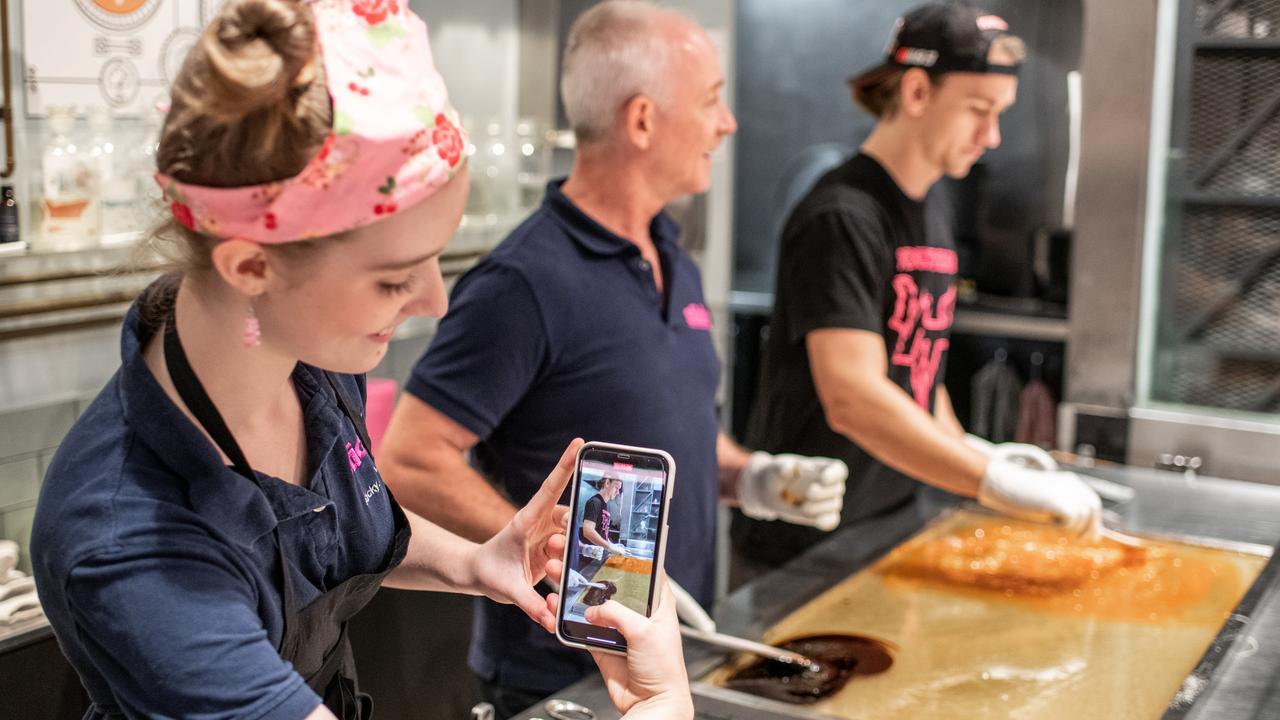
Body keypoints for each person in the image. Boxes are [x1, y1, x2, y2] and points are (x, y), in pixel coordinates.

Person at [29, 2, 693, 718]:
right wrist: (662, 702)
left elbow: (333, 526)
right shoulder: (130, 546)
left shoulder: (308, 354)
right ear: (252, 267)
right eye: (394, 279)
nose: (436, 302)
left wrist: (474, 562)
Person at [376, 1, 848, 715]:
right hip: (556, 673)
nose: (728, 124)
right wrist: (562, 562)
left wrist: (751, 476)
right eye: (713, 102)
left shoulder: (672, 258)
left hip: (667, 659)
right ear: (642, 121)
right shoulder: (523, 281)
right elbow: (410, 458)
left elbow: (663, 424)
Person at [734, 3, 1102, 575]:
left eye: (999, 113)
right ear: (916, 93)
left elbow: (917, 368)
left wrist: (974, 450)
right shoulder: (843, 215)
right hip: (806, 545)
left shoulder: (932, 205)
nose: (993, 136)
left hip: (891, 519)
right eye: (978, 110)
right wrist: (992, 482)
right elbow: (852, 396)